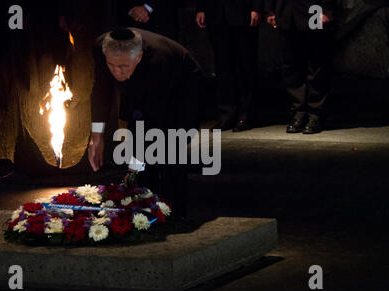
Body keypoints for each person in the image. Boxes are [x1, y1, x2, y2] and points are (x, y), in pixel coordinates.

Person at [88, 28, 201, 217]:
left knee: (169, 149)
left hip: (181, 91)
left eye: (123, 66)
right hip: (142, 91)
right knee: (141, 157)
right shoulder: (101, 47)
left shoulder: (159, 60)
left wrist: (135, 159)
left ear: (138, 57)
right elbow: (101, 90)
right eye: (111, 65)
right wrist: (97, 136)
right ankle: (142, 208)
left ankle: (174, 212)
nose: (116, 72)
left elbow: (152, 117)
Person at [265, 0, 336, 134]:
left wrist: (327, 9)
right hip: (285, 10)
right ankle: (299, 112)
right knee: (291, 64)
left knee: (316, 64)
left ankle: (316, 113)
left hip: (314, 8)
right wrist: (270, 9)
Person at [196, 0, 263, 132]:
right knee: (222, 66)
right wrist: (201, 8)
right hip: (215, 12)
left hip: (243, 11)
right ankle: (227, 114)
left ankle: (246, 114)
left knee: (245, 65)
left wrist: (257, 8)